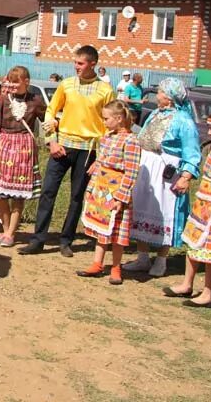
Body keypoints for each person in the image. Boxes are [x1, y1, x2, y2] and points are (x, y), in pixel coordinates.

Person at [19, 45, 115, 257]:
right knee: (48, 191)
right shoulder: (67, 84)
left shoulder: (105, 91)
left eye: (80, 63)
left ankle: (66, 240)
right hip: (62, 145)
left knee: (76, 196)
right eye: (75, 63)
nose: (76, 67)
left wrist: (102, 156)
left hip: (89, 149)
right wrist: (52, 141)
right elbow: (50, 112)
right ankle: (38, 239)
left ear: (92, 64)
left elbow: (111, 125)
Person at [124, 78, 201, 277]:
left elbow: (191, 151)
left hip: (167, 170)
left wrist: (185, 176)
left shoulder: (183, 120)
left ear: (169, 96)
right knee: (141, 207)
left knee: (164, 211)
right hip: (147, 167)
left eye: (159, 92)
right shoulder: (155, 114)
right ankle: (142, 257)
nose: (156, 95)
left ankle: (161, 259)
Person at [164, 109, 211, 307]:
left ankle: (208, 292)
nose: (210, 132)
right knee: (194, 245)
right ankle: (187, 284)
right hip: (203, 205)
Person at [77, 101, 141, 285]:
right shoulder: (107, 138)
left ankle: (115, 267)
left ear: (119, 118)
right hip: (102, 188)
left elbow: (131, 171)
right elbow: (100, 164)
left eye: (106, 119)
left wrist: (121, 197)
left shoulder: (131, 141)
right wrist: (90, 189)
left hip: (116, 191)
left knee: (117, 232)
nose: (104, 122)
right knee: (101, 229)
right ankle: (97, 263)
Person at [0, 66, 46, 247]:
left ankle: (11, 233)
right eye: (10, 81)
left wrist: (53, 127)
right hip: (4, 149)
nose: (13, 85)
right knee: (1, 193)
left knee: (18, 195)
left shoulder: (36, 101)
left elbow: (47, 120)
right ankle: (5, 230)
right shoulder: (3, 100)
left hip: (24, 150)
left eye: (16, 81)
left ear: (26, 81)